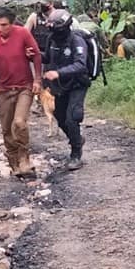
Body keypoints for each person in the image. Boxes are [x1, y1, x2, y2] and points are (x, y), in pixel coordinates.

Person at [0, 6, 42, 179]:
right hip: (3, 88)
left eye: (4, 25)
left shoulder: (23, 33)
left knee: (19, 122)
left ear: (12, 24)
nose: (0, 29)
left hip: (24, 86)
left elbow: (37, 55)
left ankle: (24, 157)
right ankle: (13, 161)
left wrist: (37, 80)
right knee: (6, 128)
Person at [42, 9, 90, 170]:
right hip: (60, 85)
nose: (53, 31)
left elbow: (81, 64)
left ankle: (76, 154)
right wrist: (33, 54)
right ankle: (76, 138)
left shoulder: (76, 41)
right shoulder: (51, 40)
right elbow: (47, 58)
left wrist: (58, 72)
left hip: (77, 84)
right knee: (59, 115)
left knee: (72, 117)